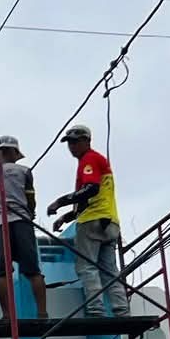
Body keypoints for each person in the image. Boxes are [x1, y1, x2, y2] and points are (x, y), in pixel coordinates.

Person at [47, 123, 127, 318]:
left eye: (75, 142)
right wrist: (66, 217)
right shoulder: (98, 161)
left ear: (86, 141)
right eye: (69, 143)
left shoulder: (89, 159)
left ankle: (96, 309)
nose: (71, 147)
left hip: (92, 222)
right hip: (109, 222)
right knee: (109, 270)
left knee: (86, 267)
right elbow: (88, 198)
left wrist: (60, 202)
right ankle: (121, 310)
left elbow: (91, 189)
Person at [0, 134, 47, 321]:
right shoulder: (24, 171)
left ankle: (7, 316)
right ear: (12, 151)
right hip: (21, 223)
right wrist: (29, 211)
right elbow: (30, 201)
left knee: (1, 273)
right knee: (33, 270)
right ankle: (42, 314)